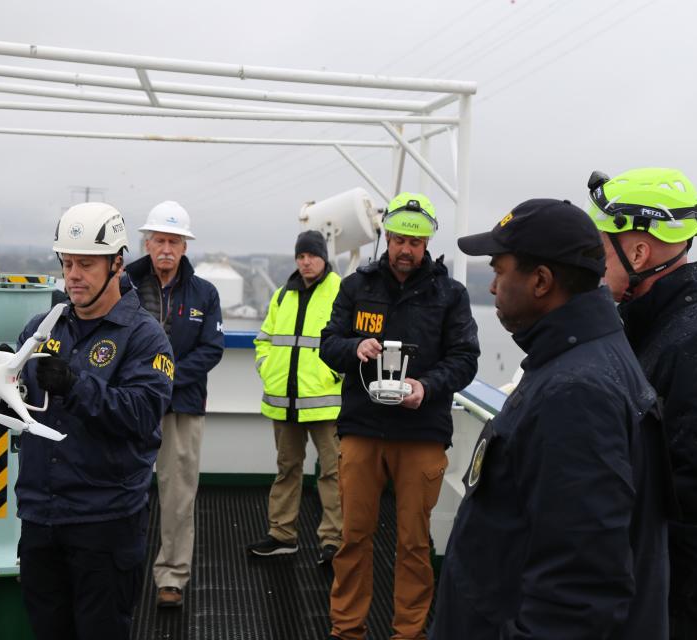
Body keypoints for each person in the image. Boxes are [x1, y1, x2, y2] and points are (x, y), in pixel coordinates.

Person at [432, 198, 669, 639]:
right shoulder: (579, 362)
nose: (491, 286)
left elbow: (578, 596)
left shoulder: (577, 393)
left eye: (500, 271)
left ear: (541, 281)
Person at [587, 168, 697, 639]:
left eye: (601, 248)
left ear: (639, 251)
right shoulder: (661, 328)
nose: (593, 263)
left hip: (684, 619)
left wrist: (639, 595)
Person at [320, 192, 479, 640]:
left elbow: (466, 358)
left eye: (415, 241)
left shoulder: (450, 294)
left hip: (422, 432)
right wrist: (355, 348)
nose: (405, 249)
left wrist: (425, 386)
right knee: (353, 536)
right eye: (398, 239)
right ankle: (346, 628)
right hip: (362, 429)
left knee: (413, 542)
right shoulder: (356, 287)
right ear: (386, 238)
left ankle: (408, 632)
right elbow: (328, 343)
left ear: (427, 242)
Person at [14, 202, 174, 640]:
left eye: (86, 264)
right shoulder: (41, 327)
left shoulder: (144, 336)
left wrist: (75, 384)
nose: (73, 275)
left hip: (104, 522)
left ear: (117, 263)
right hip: (40, 516)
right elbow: (21, 404)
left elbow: (143, 414)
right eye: (67, 263)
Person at [126, 200, 224, 608]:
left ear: (185, 247)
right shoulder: (123, 286)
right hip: (128, 406)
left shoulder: (205, 293)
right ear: (147, 243)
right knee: (119, 488)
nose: (166, 248)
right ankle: (120, 569)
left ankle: (172, 577)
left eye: (174, 241)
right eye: (160, 240)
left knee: (179, 495)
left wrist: (166, 377)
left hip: (182, 407)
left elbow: (212, 349)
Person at [246, 230, 343, 564]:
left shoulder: (340, 291)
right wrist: (267, 368)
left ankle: (333, 541)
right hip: (283, 399)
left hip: (325, 403)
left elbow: (351, 341)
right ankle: (282, 535)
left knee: (332, 473)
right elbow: (265, 339)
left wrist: (334, 375)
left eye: (312, 255)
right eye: (301, 256)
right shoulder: (282, 296)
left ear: (324, 257)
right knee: (287, 468)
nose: (306, 261)